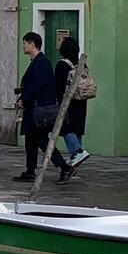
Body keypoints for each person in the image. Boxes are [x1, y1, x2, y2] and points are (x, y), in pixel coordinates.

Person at [14, 31, 61, 182]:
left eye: (25, 43)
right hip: (33, 107)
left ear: (32, 44)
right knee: (31, 139)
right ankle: (30, 170)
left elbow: (37, 85)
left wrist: (25, 98)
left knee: (41, 140)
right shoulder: (36, 62)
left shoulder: (42, 62)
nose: (23, 46)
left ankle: (64, 166)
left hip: (38, 108)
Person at [52, 35, 92, 173]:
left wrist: (58, 102)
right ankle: (76, 157)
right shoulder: (82, 64)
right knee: (77, 128)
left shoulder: (62, 65)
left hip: (67, 102)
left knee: (66, 128)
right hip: (81, 101)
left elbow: (57, 86)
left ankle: (77, 152)